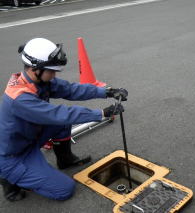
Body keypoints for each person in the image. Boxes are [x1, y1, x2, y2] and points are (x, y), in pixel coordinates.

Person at [0, 38, 128, 202]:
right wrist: (102, 113)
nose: (54, 74)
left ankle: (65, 160)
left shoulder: (37, 80)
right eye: (51, 71)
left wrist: (108, 92)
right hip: (13, 156)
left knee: (61, 124)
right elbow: (60, 113)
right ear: (34, 68)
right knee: (64, 189)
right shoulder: (20, 98)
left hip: (28, 138)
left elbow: (71, 90)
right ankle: (9, 178)